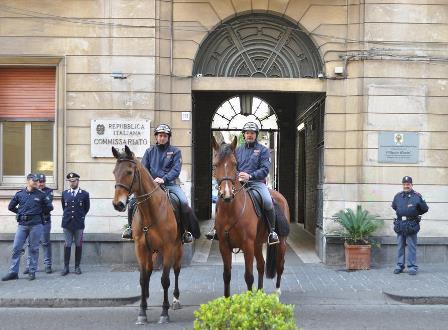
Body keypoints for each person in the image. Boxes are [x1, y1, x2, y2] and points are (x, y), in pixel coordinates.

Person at [207, 122, 279, 245]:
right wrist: (239, 174)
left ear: (256, 135)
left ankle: (272, 232)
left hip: (256, 183)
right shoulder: (237, 150)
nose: (249, 135)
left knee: (267, 201)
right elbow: (232, 165)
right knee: (221, 199)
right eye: (247, 133)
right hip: (239, 183)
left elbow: (265, 169)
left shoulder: (263, 150)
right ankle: (216, 228)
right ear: (244, 135)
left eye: (252, 133)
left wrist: (250, 176)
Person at [121, 124, 193, 244]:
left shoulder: (176, 151)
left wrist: (164, 179)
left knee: (184, 202)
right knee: (133, 202)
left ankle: (185, 232)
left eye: (165, 136)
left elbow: (176, 169)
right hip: (151, 185)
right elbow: (143, 168)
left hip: (170, 184)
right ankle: (130, 228)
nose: (162, 138)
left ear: (168, 137)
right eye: (160, 135)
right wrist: (151, 181)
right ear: (156, 137)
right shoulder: (149, 151)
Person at [2, 173, 53, 281]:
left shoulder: (41, 194)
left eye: (37, 180)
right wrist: (20, 213)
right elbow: (11, 206)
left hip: (36, 225)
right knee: (16, 248)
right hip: (22, 225)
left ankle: (32, 271)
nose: (36, 182)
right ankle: (13, 272)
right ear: (28, 181)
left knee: (34, 248)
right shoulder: (20, 194)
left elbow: (49, 207)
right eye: (34, 180)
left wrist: (38, 212)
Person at [392, 176, 429, 275]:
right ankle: (400, 265)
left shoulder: (417, 196)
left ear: (411, 185)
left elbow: (425, 209)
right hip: (400, 224)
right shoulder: (398, 196)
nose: (406, 186)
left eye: (408, 184)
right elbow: (394, 207)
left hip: (411, 224)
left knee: (411, 246)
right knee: (400, 246)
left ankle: (412, 266)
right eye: (404, 184)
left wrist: (414, 213)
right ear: (402, 185)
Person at [61, 172, 90, 276]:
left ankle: (77, 266)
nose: (72, 183)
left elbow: (86, 209)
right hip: (67, 224)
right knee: (67, 245)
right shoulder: (65, 193)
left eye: (74, 181)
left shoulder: (84, 194)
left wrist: (80, 217)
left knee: (78, 245)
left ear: (78, 181)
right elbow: (64, 208)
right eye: (70, 181)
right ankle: (66, 267)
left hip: (79, 224)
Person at [24, 173, 54, 274]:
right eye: (39, 182)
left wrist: (40, 195)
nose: (41, 184)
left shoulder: (49, 191)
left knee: (45, 243)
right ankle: (29, 266)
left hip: (45, 221)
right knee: (30, 244)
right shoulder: (32, 191)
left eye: (43, 182)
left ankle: (48, 265)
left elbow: (47, 206)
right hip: (33, 221)